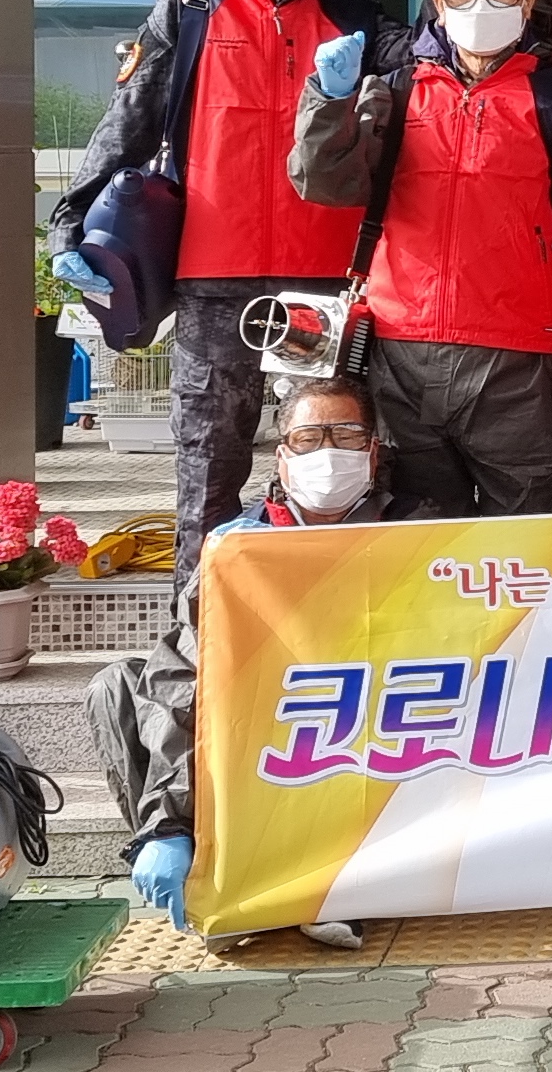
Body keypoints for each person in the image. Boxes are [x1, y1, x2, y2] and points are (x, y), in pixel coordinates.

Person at [51, 0, 389, 582]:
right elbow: (129, 121)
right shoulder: (191, 8)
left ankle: (332, 609)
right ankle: (199, 629)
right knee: (207, 462)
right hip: (213, 276)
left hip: (325, 281)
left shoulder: (359, 21)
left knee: (331, 459)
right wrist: (71, 223)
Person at [291, 0, 552, 518]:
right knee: (416, 536)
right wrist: (328, 100)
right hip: (400, 354)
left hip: (523, 361)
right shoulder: (394, 92)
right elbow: (325, 183)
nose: (481, 1)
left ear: (527, 0)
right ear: (440, 3)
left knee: (532, 540)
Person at [90, 373, 380, 953]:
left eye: (347, 435)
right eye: (309, 439)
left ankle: (334, 884)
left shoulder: (416, 533)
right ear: (282, 458)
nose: (328, 452)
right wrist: (168, 822)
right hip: (254, 722)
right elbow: (182, 674)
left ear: (373, 451)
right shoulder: (237, 546)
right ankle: (205, 867)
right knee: (118, 686)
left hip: (359, 726)